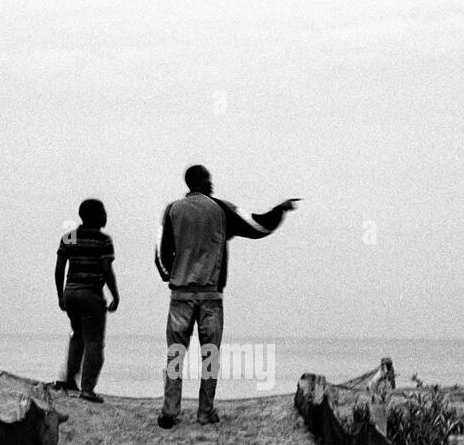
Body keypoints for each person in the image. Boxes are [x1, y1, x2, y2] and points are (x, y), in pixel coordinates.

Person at [154, 165, 297, 427]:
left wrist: (171, 277)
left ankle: (169, 411)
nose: (212, 185)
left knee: (175, 353)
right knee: (210, 355)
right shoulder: (221, 209)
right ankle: (205, 412)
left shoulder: (172, 210)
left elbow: (161, 255)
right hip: (211, 297)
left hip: (180, 296)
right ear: (201, 182)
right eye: (209, 180)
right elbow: (256, 226)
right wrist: (280, 210)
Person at [54, 198, 119, 403]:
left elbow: (59, 269)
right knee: (94, 343)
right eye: (103, 212)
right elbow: (107, 270)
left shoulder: (70, 238)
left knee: (78, 335)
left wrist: (61, 295)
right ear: (95, 216)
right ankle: (88, 389)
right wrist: (115, 295)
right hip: (91, 295)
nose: (106, 215)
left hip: (71, 292)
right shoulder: (103, 241)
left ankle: (69, 381)